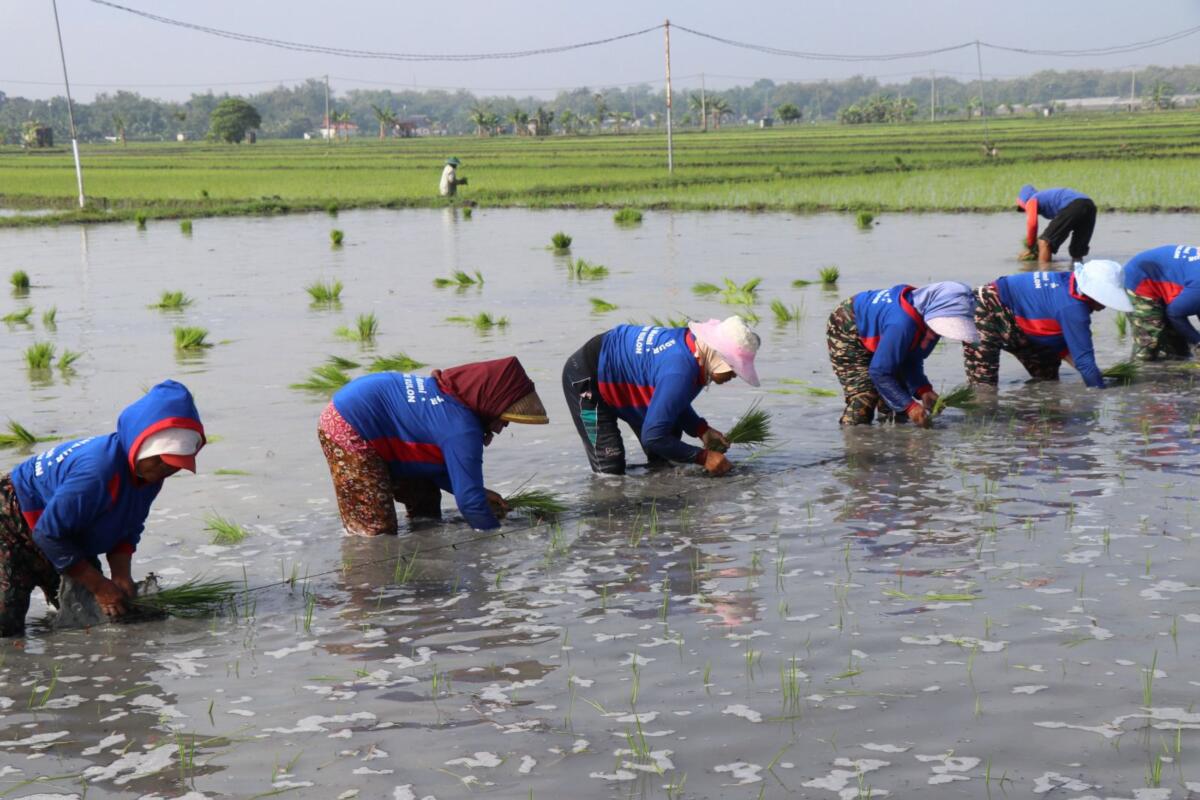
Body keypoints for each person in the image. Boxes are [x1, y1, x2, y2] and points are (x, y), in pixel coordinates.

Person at [0, 380, 205, 637]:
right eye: (161, 461)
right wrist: (99, 586)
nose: (166, 470)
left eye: (176, 465)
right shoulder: (98, 472)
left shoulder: (149, 476)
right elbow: (47, 533)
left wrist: (121, 575)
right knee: (5, 630)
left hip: (62, 533)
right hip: (11, 524)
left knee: (96, 619)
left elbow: (128, 525)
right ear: (139, 447)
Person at [319, 357, 547, 536]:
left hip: (379, 419)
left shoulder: (453, 398)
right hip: (348, 424)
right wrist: (496, 538)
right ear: (489, 405)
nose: (503, 426)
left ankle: (417, 560)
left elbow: (437, 469)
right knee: (376, 527)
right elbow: (470, 504)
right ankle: (367, 580)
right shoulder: (462, 428)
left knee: (425, 500)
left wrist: (480, 492)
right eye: (504, 418)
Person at [562, 317, 761, 476]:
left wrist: (702, 430)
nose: (734, 375)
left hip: (623, 376)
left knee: (666, 448)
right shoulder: (682, 370)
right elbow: (653, 437)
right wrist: (704, 457)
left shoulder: (693, 349)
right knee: (610, 470)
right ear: (719, 357)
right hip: (587, 377)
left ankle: (656, 500)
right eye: (734, 368)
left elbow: (672, 398)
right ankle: (609, 518)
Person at [827, 282, 979, 427]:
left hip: (887, 330)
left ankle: (889, 441)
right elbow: (879, 372)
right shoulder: (902, 324)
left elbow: (911, 358)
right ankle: (854, 443)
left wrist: (923, 390)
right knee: (865, 396)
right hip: (848, 326)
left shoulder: (931, 325)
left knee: (897, 395)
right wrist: (910, 407)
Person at [963, 261, 1132, 389]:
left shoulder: (1071, 281)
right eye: (1105, 299)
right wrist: (1099, 391)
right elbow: (1084, 361)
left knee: (1047, 379)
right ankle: (982, 426)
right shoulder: (1073, 308)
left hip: (1022, 322)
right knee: (984, 387)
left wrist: (1094, 374)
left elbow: (1065, 346)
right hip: (986, 308)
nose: (1104, 306)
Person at [1122, 244, 1200, 361]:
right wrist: (1197, 341)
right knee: (1148, 345)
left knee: (1179, 348)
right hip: (1141, 280)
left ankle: (1173, 370)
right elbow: (1175, 313)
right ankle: (1138, 374)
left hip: (1166, 277)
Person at [1017, 184, 1097, 263]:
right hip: (1090, 205)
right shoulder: (1046, 198)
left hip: (1075, 205)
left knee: (1044, 242)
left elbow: (1032, 224)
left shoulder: (1032, 200)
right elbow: (1064, 226)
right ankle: (1077, 271)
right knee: (1076, 251)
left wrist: (1030, 247)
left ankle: (1044, 273)